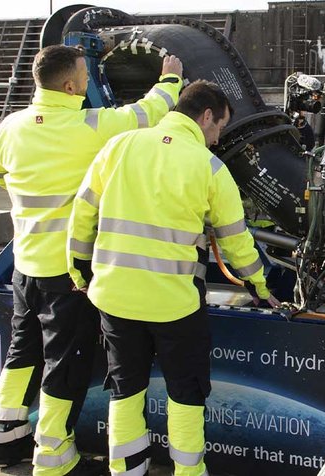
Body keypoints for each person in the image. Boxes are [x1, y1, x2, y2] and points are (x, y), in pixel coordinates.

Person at [67, 80, 281, 476]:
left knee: (125, 389)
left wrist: (78, 268)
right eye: (218, 127)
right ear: (204, 117)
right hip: (175, 306)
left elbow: (82, 215)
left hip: (114, 298)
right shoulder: (208, 166)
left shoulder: (118, 146)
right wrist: (260, 288)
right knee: (185, 393)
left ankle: (127, 470)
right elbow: (237, 243)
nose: (217, 139)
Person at [0, 44, 182, 474]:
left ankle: (7, 438)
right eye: (85, 76)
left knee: (23, 351)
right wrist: (170, 77)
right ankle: (53, 456)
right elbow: (148, 112)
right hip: (68, 274)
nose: (89, 82)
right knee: (65, 365)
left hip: (25, 265)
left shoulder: (10, 126)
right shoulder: (92, 125)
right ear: (72, 85)